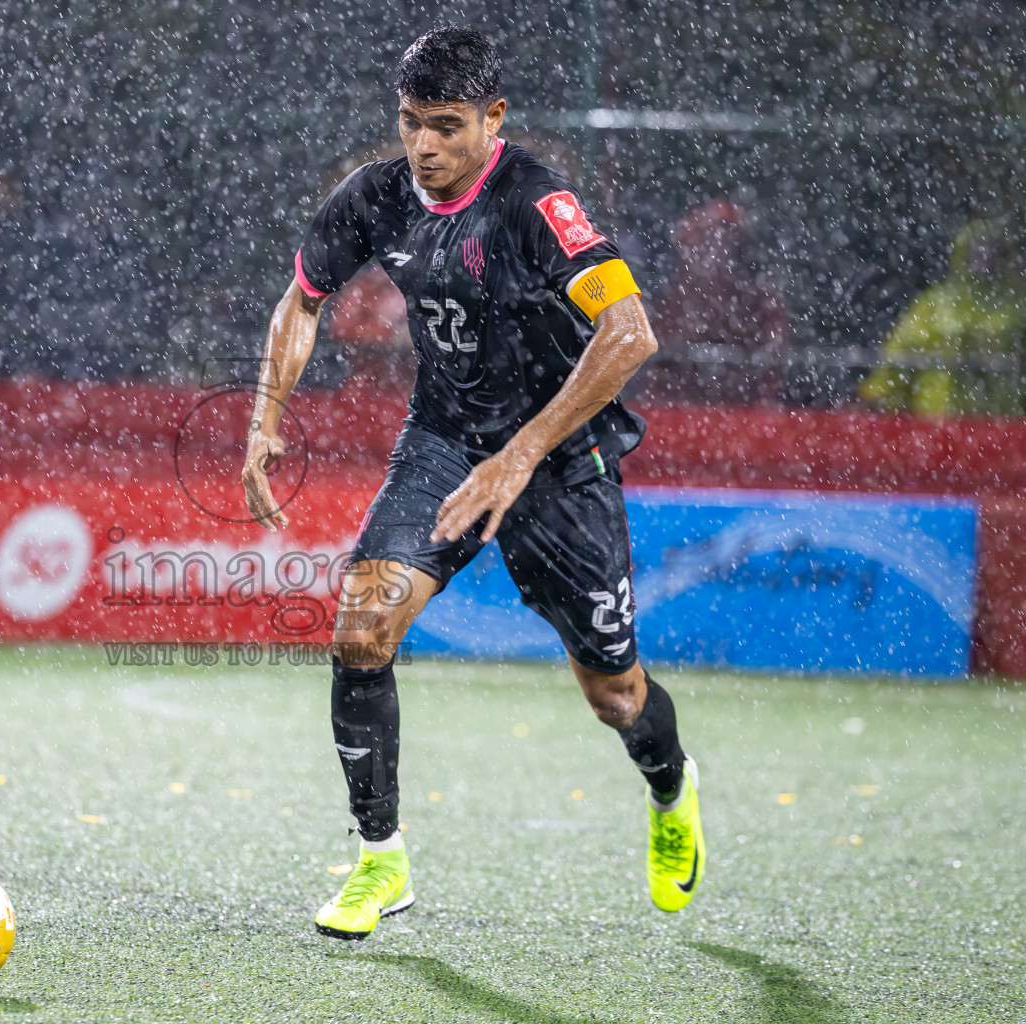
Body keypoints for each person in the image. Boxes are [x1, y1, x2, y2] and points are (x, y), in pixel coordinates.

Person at [240, 27, 705, 941]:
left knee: (614, 694)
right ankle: (380, 860)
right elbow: (302, 299)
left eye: (447, 126)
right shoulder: (375, 198)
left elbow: (631, 334)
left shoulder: (539, 203)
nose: (425, 146)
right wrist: (265, 416)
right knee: (363, 625)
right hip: (446, 441)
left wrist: (522, 453)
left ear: (494, 118)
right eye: (412, 123)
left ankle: (671, 785)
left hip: (562, 462)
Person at [859, 218, 1026, 417]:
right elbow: (897, 360)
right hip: (934, 429)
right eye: (976, 249)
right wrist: (879, 397)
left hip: (1001, 430)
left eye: (991, 249)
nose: (984, 258)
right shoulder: (933, 305)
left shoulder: (1018, 308)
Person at [640, 199, 787, 405]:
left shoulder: (761, 303)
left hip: (742, 415)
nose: (714, 250)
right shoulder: (668, 304)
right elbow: (656, 377)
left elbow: (772, 372)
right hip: (683, 416)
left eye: (725, 238)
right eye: (701, 240)